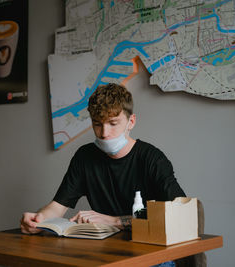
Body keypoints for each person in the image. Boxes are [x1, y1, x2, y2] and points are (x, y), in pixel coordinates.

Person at [21, 83, 186, 234]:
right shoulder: (85, 157)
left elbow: (180, 212)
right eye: (97, 124)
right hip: (106, 246)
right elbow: (58, 206)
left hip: (150, 243)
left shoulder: (152, 159)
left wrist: (115, 221)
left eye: (113, 124)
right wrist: (40, 219)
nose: (104, 133)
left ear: (131, 122)